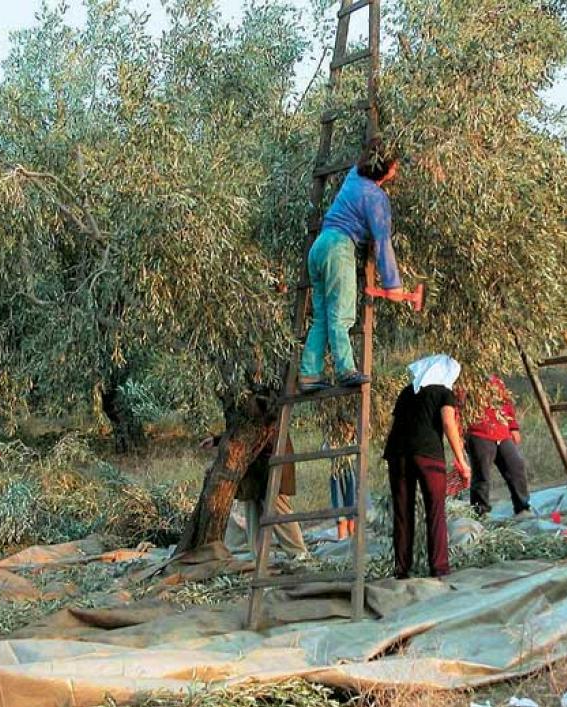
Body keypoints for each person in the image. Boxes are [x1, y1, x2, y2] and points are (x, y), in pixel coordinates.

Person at [299, 138, 404, 393]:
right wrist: (393, 284)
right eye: (394, 164)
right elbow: (382, 241)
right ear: (387, 169)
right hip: (338, 249)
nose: (397, 168)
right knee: (342, 314)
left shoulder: (354, 175)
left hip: (319, 246)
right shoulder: (376, 198)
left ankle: (309, 374)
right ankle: (345, 369)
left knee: (322, 317)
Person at [382, 354, 471, 579]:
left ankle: (401, 569)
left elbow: (392, 426)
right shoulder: (444, 393)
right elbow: (448, 422)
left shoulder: (406, 392)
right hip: (428, 455)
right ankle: (439, 568)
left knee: (402, 512)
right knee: (435, 511)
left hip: (398, 454)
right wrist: (461, 460)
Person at [201, 433, 308, 559]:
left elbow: (252, 429)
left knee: (277, 509)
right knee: (253, 513)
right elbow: (240, 429)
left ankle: (298, 553)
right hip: (253, 464)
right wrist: (217, 440)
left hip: (271, 459)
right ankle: (259, 558)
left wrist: (221, 440)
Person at [462, 375, 531, 517]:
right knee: (482, 475)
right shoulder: (465, 383)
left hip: (502, 433)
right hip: (478, 433)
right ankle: (480, 513)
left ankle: (522, 507)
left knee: (516, 466)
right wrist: (460, 436)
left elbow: (506, 403)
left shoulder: (496, 381)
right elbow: (458, 411)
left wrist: (513, 427)